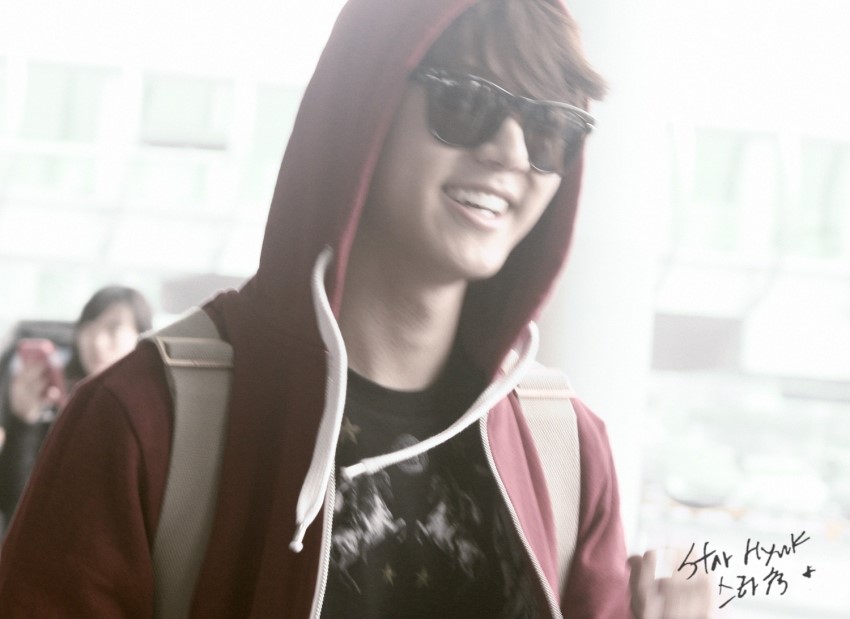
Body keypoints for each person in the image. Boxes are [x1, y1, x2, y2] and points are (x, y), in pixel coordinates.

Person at [0, 0, 711, 616]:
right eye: (465, 101)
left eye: (549, 128)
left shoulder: (567, 450)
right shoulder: (144, 419)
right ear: (364, 103)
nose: (511, 151)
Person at [0, 285, 152, 534]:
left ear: (142, 336)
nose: (97, 341)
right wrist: (24, 421)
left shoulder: (148, 413)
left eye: (113, 328)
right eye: (89, 327)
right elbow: (15, 504)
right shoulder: (55, 401)